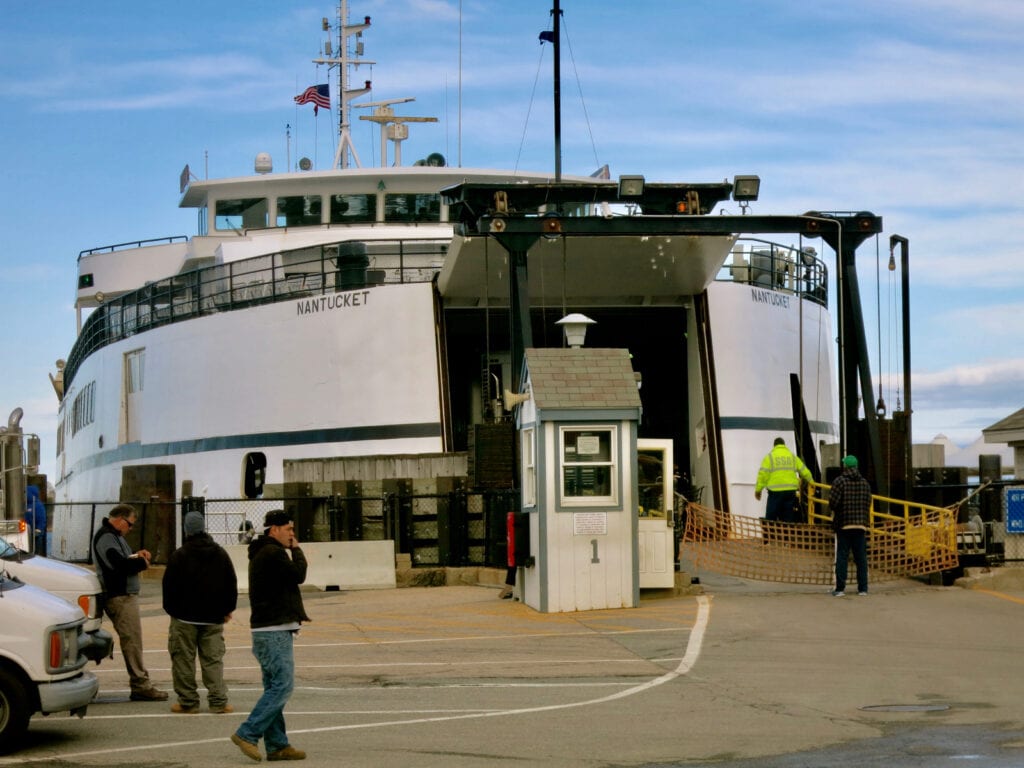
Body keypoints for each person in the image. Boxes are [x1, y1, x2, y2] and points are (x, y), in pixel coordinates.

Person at [231, 510, 310, 762]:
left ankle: (277, 744)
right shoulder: (273, 552)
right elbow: (298, 574)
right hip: (273, 630)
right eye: (289, 529)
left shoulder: (263, 552)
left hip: (268, 630)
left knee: (273, 686)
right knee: (283, 685)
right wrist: (297, 550)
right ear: (273, 529)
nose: (292, 534)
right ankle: (248, 732)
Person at [163, 511, 238, 714]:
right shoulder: (220, 553)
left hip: (184, 617)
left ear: (187, 530)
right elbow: (231, 583)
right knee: (213, 660)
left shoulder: (179, 555)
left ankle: (188, 702)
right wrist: (227, 609)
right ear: (203, 528)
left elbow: (168, 588)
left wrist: (173, 611)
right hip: (213, 617)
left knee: (183, 660)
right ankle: (218, 701)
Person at [92, 503, 168, 701]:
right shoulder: (107, 537)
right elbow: (118, 564)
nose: (131, 528)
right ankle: (140, 685)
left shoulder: (112, 536)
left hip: (123, 595)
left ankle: (140, 683)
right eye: (130, 524)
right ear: (119, 519)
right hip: (120, 596)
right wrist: (141, 562)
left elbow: (121, 559)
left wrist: (136, 555)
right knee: (132, 642)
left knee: (133, 641)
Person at [829, 455, 872, 597]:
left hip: (844, 525)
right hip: (860, 525)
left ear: (845, 466)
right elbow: (868, 502)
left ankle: (840, 589)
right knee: (861, 558)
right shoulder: (865, 483)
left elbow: (833, 503)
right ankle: (863, 589)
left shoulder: (839, 482)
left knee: (842, 557)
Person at [754, 437, 813, 523]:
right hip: (790, 492)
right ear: (784, 445)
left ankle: (771, 534)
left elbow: (763, 475)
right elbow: (804, 471)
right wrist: (812, 482)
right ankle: (786, 535)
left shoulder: (769, 457)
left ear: (774, 446)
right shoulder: (792, 456)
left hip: (775, 492)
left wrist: (758, 491)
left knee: (771, 518)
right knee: (788, 517)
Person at [25, 484, 47, 555]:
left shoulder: (38, 505)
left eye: (26, 492)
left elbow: (42, 519)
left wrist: (39, 529)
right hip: (26, 534)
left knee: (36, 552)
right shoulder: (25, 505)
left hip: (36, 535)